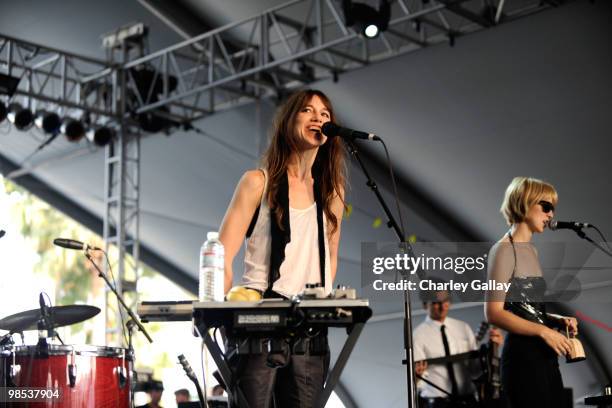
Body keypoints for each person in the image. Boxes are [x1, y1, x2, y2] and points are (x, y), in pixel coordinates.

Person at [218, 89, 346, 408]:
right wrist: (222, 318)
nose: (318, 117)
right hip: (258, 323)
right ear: (289, 121)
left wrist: (322, 300)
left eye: (325, 114)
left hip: (309, 326)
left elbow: (330, 256)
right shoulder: (257, 182)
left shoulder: (332, 192)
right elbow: (219, 254)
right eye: (307, 110)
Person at [485, 177, 578, 408]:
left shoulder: (531, 251)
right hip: (522, 360)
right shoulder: (503, 250)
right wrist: (545, 332)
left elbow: (526, 310)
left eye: (553, 209)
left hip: (544, 357)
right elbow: (494, 313)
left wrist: (556, 320)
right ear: (525, 202)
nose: (551, 215)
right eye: (546, 207)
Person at [413, 285, 503, 408]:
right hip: (438, 404)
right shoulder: (418, 335)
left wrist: (491, 348)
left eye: (446, 300)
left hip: (469, 401)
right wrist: (416, 377)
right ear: (424, 304)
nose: (442, 306)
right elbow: (419, 380)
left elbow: (475, 371)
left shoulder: (463, 327)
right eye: (436, 302)